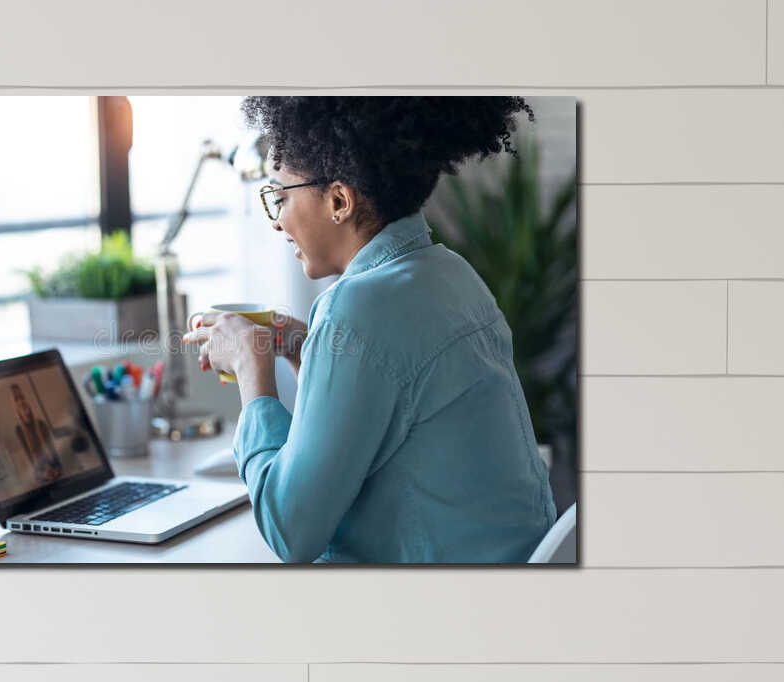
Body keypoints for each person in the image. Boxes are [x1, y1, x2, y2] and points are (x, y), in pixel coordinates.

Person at [184, 96, 558, 564]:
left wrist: (250, 374)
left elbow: (290, 531)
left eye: (280, 195)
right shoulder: (449, 272)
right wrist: (307, 352)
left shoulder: (355, 310)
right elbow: (382, 428)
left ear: (339, 201)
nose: (277, 220)